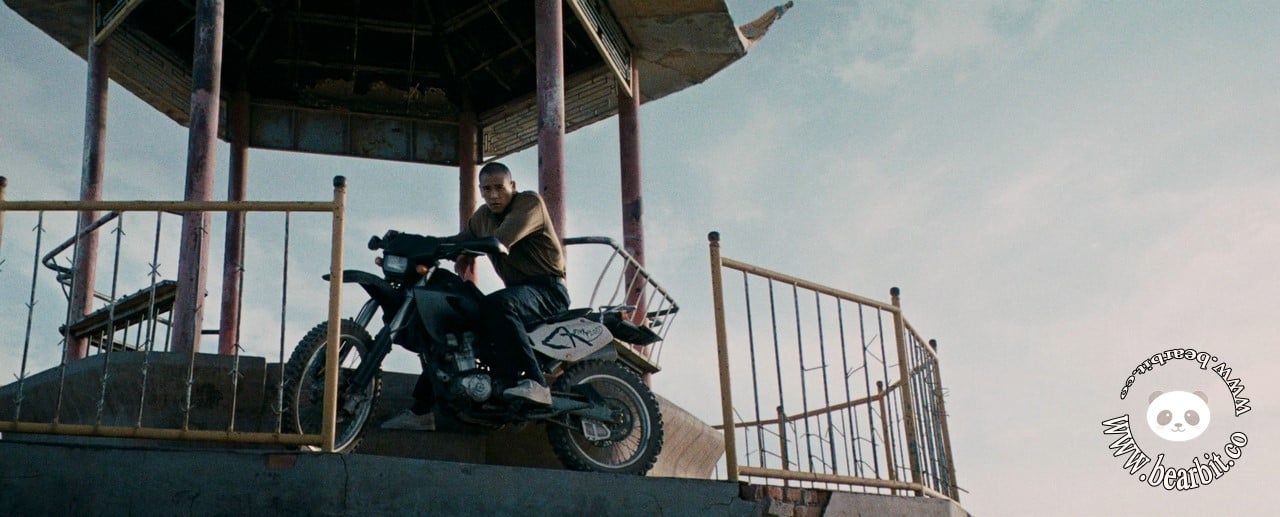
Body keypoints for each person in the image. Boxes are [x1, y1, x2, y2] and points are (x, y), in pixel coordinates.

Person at [383, 162, 569, 430]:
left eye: (499, 188)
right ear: (480, 190)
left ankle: (535, 383)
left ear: (512, 186)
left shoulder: (529, 203)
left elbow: (500, 241)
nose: (493, 195)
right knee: (455, 323)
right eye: (487, 189)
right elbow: (457, 241)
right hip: (519, 293)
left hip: (548, 291)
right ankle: (422, 410)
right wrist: (410, 243)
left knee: (498, 304)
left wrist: (463, 249)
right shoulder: (482, 217)